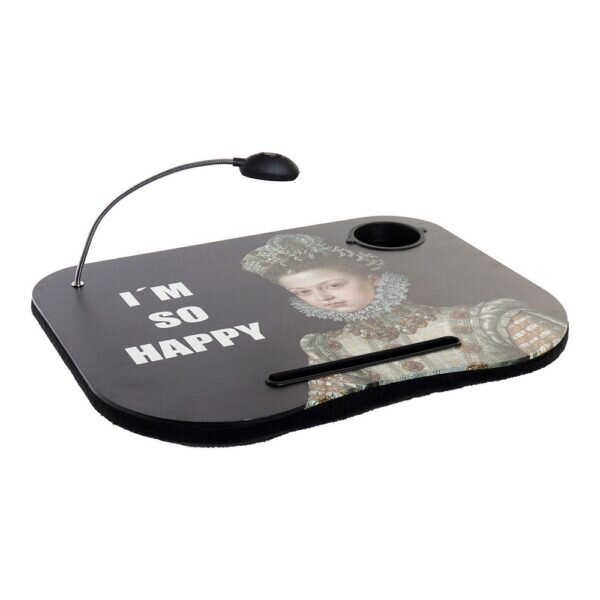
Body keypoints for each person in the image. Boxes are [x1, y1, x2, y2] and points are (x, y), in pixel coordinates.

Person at [241, 234, 567, 408]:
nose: (323, 297)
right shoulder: (330, 348)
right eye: (303, 292)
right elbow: (325, 405)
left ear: (374, 279)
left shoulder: (487, 319)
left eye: (334, 284)